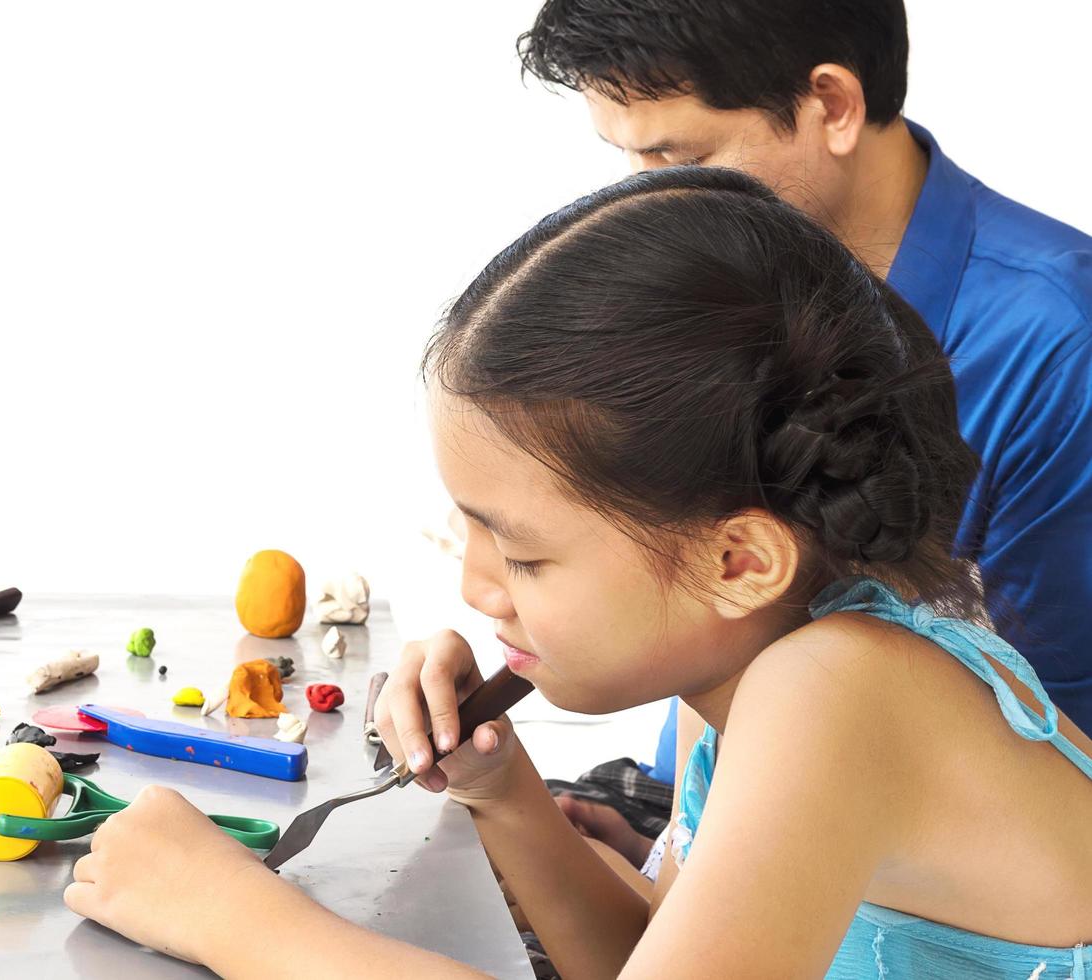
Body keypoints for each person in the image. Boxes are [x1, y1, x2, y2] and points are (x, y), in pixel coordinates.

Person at [62, 168, 1092, 977]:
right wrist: (502, 790)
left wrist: (236, 917)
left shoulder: (833, 688)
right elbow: (655, 954)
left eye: (522, 551)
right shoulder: (749, 661)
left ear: (737, 559)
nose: (478, 583)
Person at [518, 0, 1092, 860]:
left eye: (677, 156)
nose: (636, 199)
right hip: (703, 810)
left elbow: (1056, 760)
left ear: (831, 104)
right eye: (624, 157)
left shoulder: (1058, 343)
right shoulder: (720, 270)